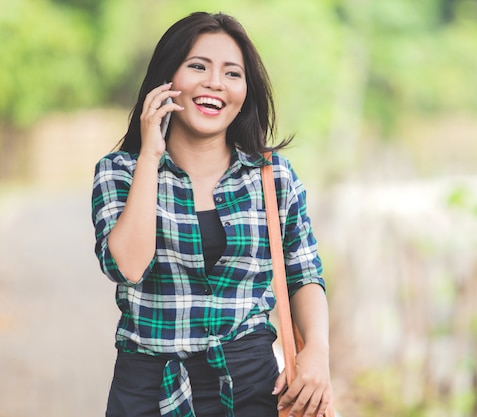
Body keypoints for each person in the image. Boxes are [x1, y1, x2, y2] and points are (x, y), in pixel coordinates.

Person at [91, 11, 332, 417]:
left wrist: (319, 352)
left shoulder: (273, 178)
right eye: (198, 66)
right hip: (148, 389)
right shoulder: (119, 172)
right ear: (166, 81)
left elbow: (303, 274)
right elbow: (127, 266)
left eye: (232, 73)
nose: (215, 83)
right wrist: (150, 155)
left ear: (245, 92)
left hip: (253, 387)